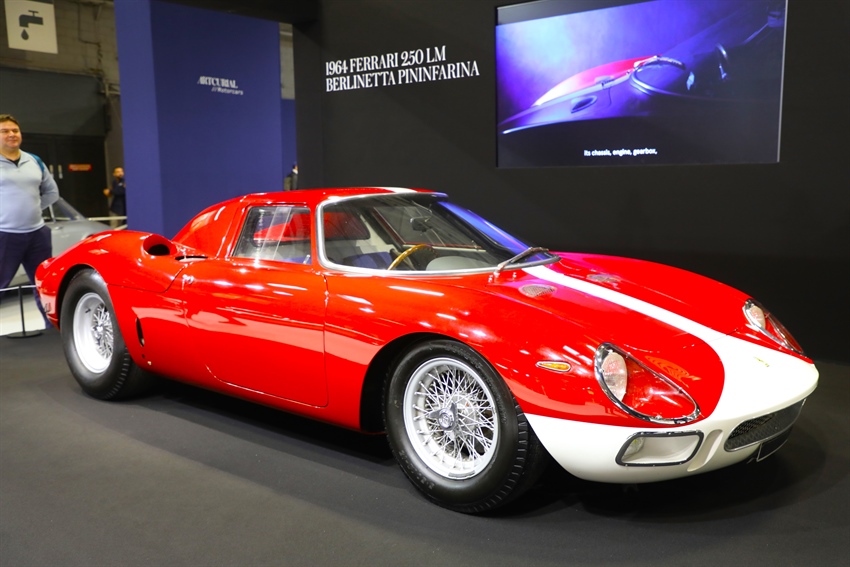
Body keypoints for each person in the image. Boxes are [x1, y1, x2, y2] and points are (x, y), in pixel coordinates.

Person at [0, 113, 60, 324]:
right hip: (5, 235)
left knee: (43, 285)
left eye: (15, 130)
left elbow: (52, 193)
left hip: (37, 234)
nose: (11, 134)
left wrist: (34, 208)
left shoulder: (34, 160)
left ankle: (51, 330)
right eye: (4, 131)